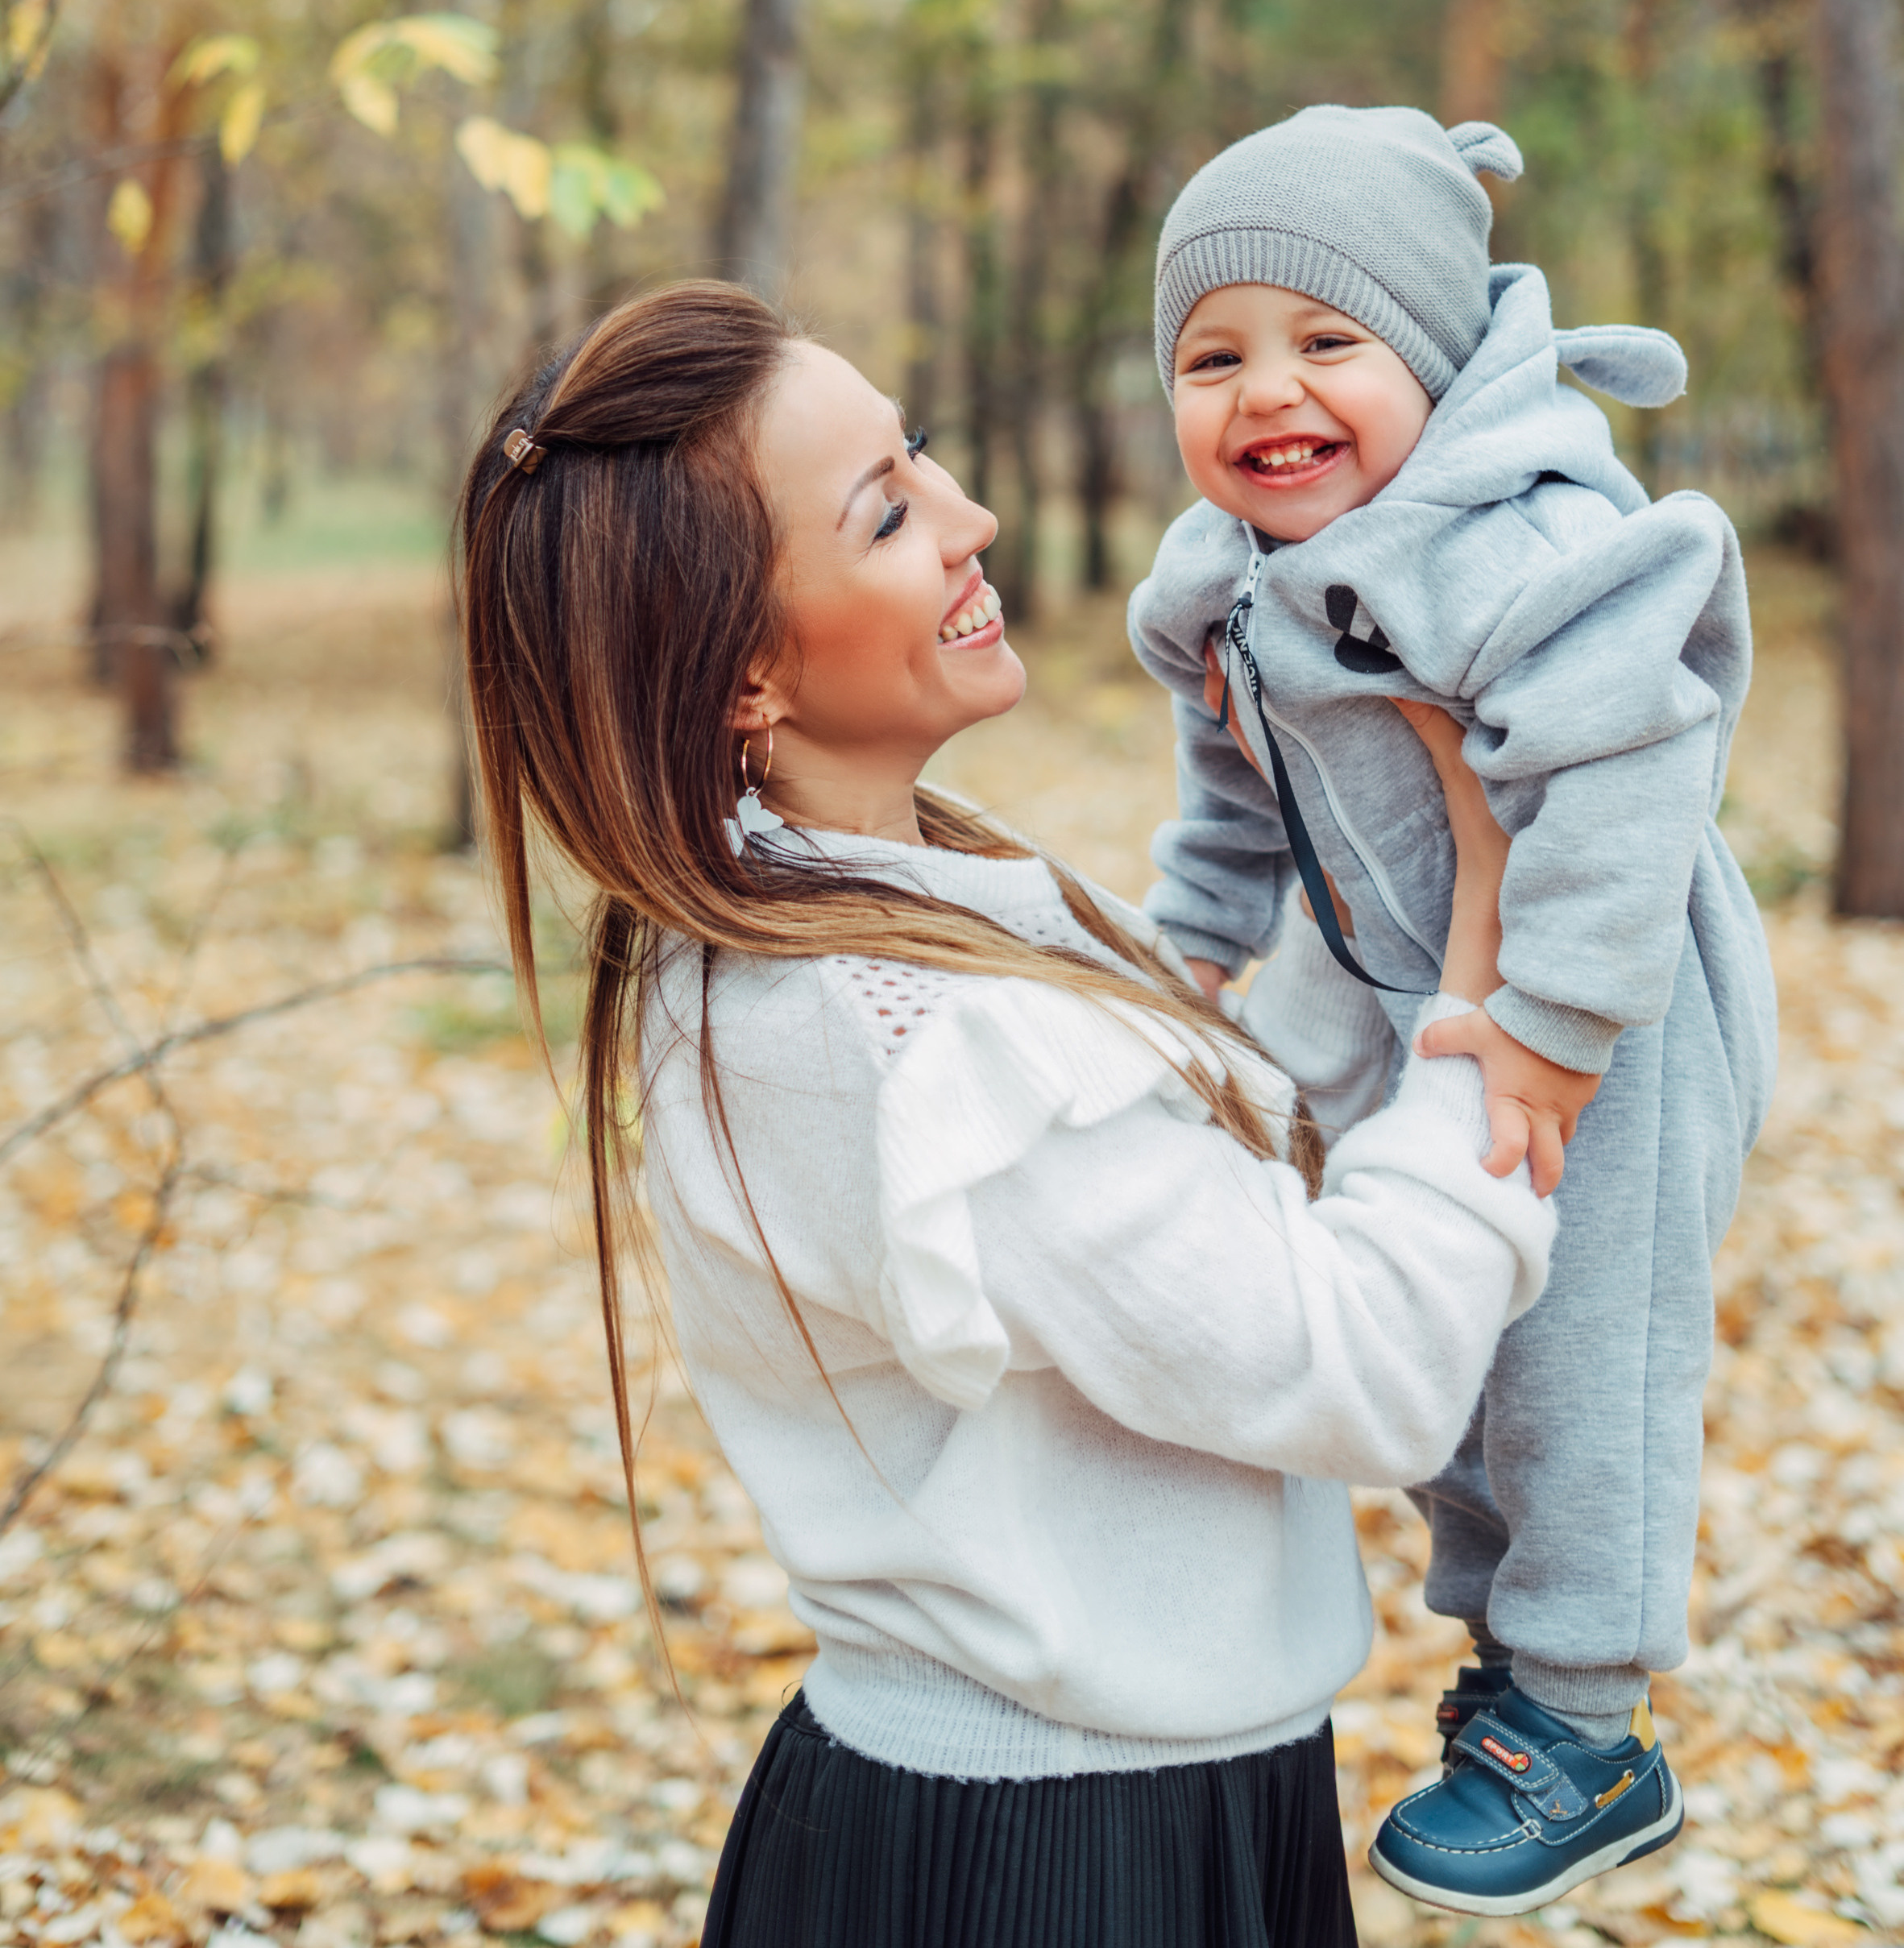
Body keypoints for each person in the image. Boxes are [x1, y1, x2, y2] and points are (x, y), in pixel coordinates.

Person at [457, 280, 1554, 1948]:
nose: (973, 518)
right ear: (744, 669)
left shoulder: (868, 910)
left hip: (1094, 1804)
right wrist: (1494, 965)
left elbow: (1227, 1184)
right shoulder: (907, 1034)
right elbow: (1363, 1358)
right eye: (889, 510)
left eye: (924, 455)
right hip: (1057, 1861)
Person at [1127, 102, 1779, 1917]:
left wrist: (1564, 1019)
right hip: (1404, 992)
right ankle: (1504, 1659)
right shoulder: (1227, 578)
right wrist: (1197, 930)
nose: (1270, 391)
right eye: (1214, 354)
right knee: (1453, 1356)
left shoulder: (1523, 544)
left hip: (1611, 1002)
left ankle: (1589, 1719)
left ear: (1429, 351)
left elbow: (1641, 758)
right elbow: (1234, 769)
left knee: (1582, 1364)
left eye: (1329, 342)